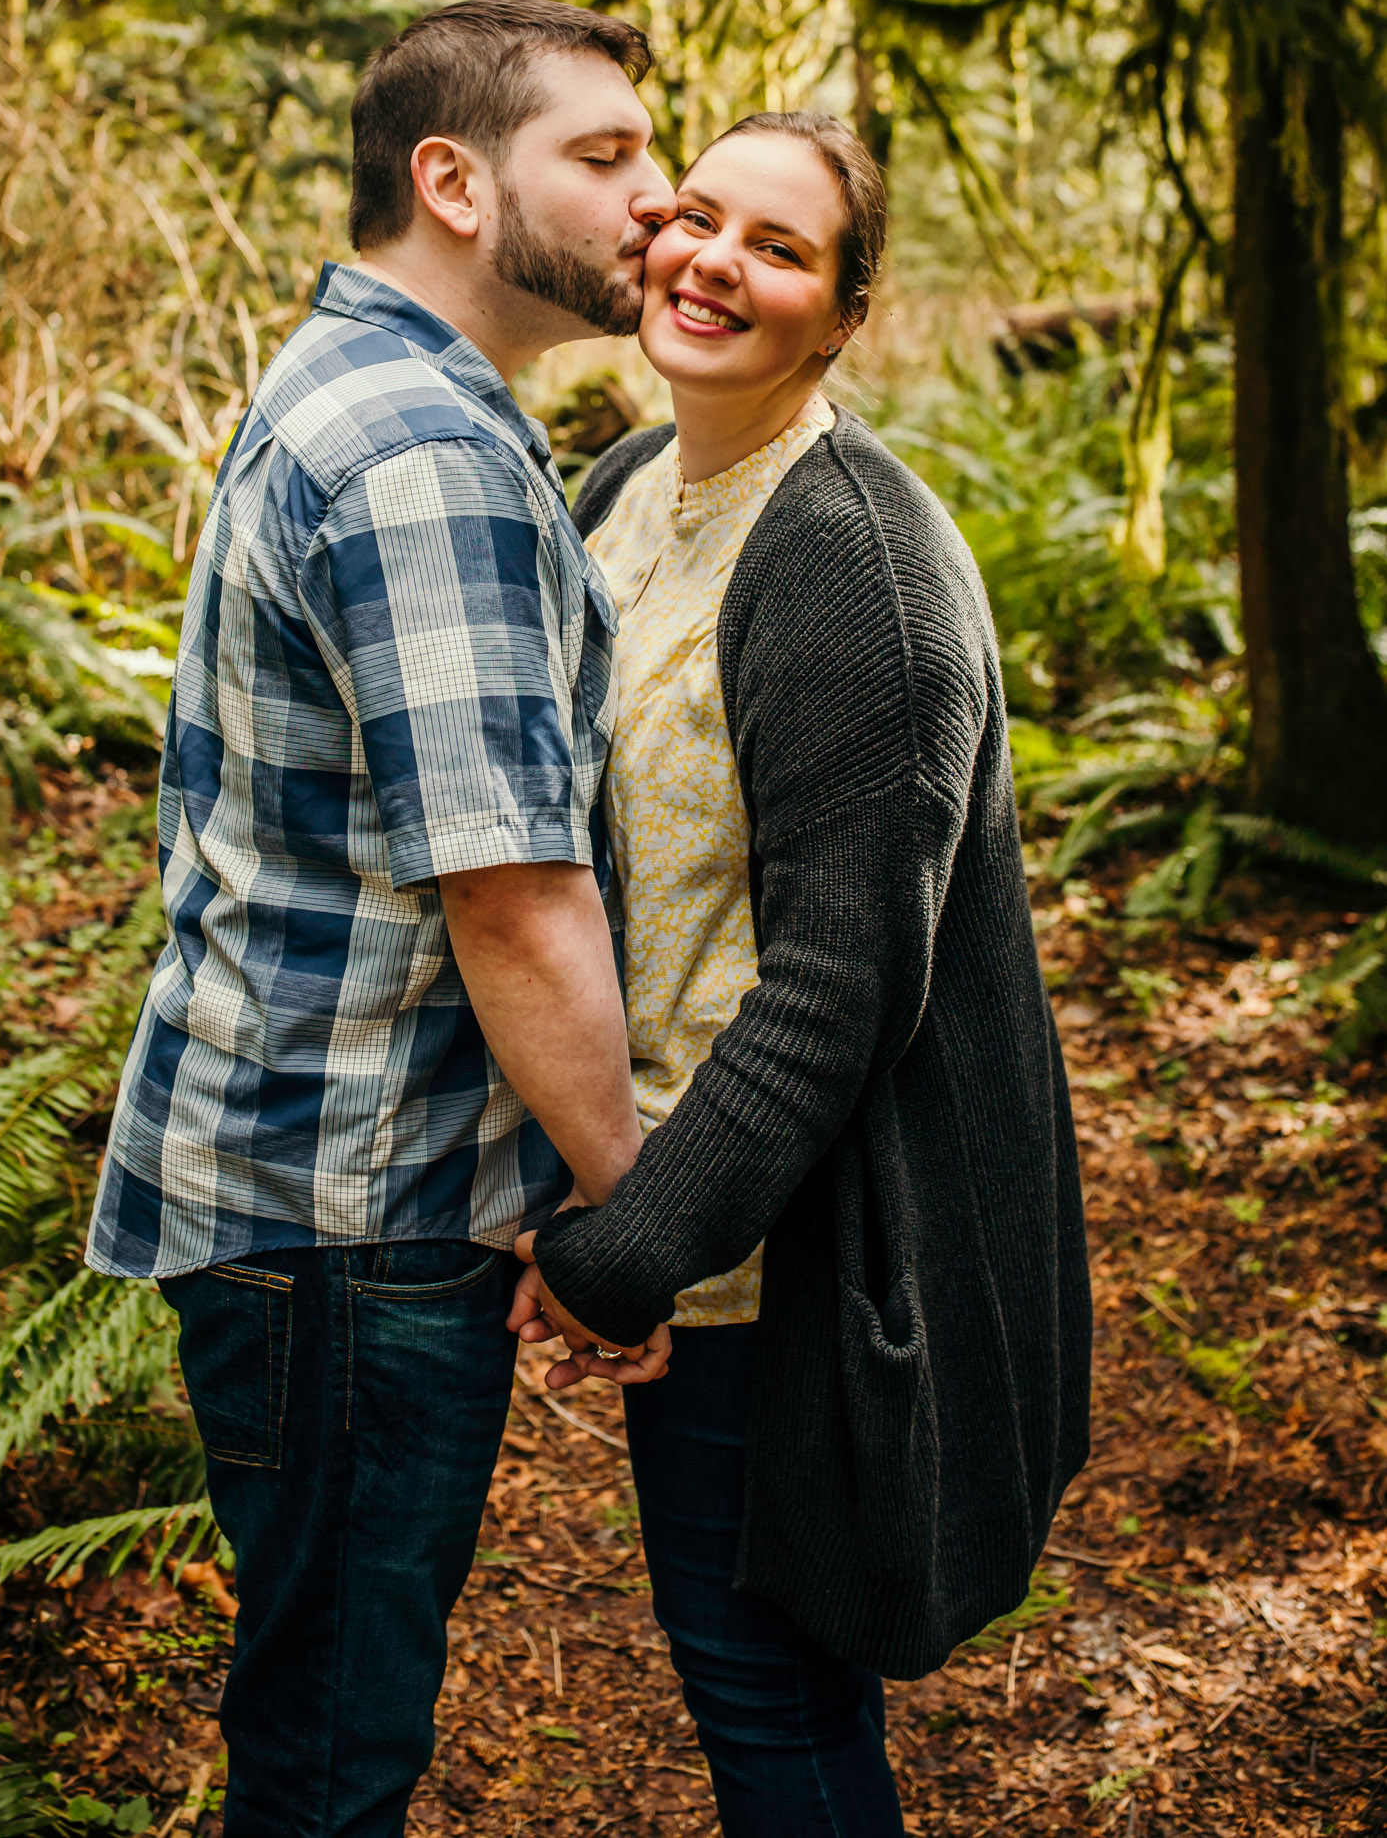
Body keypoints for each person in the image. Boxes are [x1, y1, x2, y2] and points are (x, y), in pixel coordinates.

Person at [87, 0, 677, 1838]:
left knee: (320, 1720)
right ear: (454, 181)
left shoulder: (371, 395)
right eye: (604, 158)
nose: (656, 201)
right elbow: (512, 896)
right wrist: (632, 1218)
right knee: (337, 1755)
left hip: (312, 1195)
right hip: (354, 1215)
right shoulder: (422, 457)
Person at [510, 111, 1093, 1836]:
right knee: (755, 1672)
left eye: (778, 248)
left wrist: (631, 1250)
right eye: (696, 218)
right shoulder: (624, 487)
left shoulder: (858, 560)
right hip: (678, 1195)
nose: (712, 263)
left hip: (790, 1250)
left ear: (843, 315)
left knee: (769, 1692)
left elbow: (845, 984)